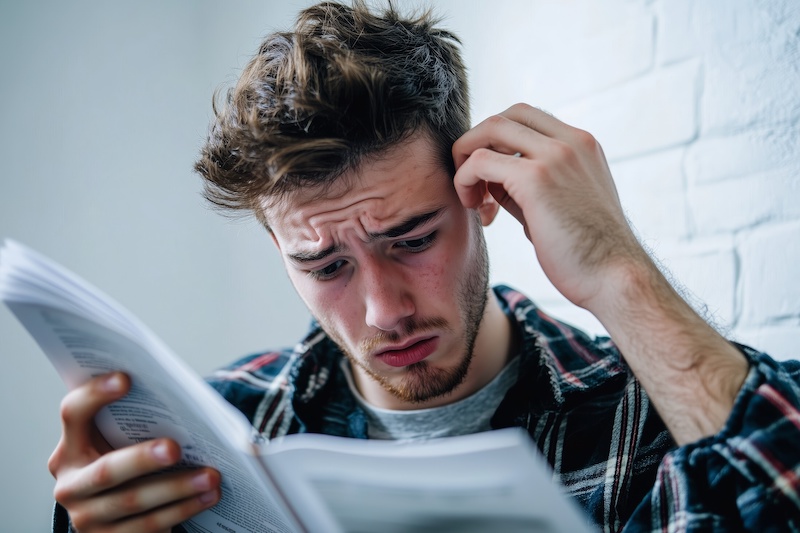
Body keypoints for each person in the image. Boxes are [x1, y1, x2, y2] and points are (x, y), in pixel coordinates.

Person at [48, 1, 800, 532]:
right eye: (325, 265)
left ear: (484, 196)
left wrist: (617, 270)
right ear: (280, 251)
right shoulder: (218, 433)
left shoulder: (658, 419)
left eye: (411, 239)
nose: (384, 311)